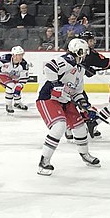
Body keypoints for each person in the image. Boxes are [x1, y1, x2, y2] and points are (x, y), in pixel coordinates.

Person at [36, 38, 100, 176]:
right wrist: (55, 84)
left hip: (65, 100)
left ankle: (85, 155)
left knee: (80, 128)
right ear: (77, 50)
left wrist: (85, 106)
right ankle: (44, 162)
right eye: (84, 51)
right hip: (48, 98)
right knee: (59, 126)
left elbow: (77, 92)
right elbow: (49, 67)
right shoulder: (68, 59)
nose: (85, 54)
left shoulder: (79, 69)